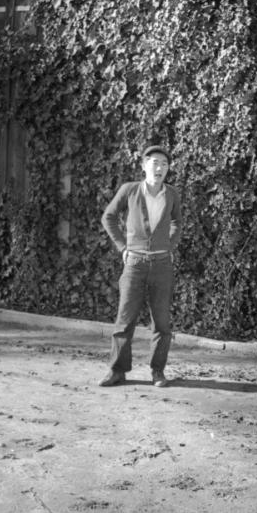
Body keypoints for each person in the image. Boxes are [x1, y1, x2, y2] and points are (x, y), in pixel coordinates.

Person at [99, 144, 182, 388]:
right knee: (125, 319)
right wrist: (123, 247)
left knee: (162, 322)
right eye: (154, 163)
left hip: (162, 264)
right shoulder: (130, 190)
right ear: (144, 165)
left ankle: (158, 372)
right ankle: (117, 371)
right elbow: (109, 217)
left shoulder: (172, 194)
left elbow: (177, 221)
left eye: (164, 164)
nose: (159, 168)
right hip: (134, 263)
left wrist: (170, 244)